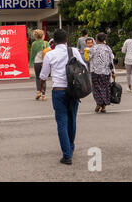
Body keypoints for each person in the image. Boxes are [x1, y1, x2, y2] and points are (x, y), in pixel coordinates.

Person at [39, 29, 87, 165]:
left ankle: (67, 155)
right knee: (72, 119)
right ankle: (70, 148)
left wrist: (42, 87)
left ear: (53, 41)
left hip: (58, 91)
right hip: (74, 91)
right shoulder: (74, 51)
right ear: (66, 39)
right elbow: (84, 68)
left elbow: (43, 76)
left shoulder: (50, 54)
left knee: (62, 122)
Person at [89, 33, 116, 113]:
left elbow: (88, 58)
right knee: (105, 88)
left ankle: (98, 103)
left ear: (96, 40)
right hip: (106, 72)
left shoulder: (93, 48)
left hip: (95, 71)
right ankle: (103, 107)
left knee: (96, 88)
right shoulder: (108, 48)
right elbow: (111, 60)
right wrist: (113, 72)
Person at [29, 29, 50, 101]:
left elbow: (32, 55)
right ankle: (43, 95)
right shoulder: (46, 43)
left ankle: (38, 92)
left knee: (38, 78)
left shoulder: (34, 44)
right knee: (43, 79)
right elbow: (49, 53)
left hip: (36, 62)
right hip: (44, 62)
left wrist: (30, 63)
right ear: (42, 36)